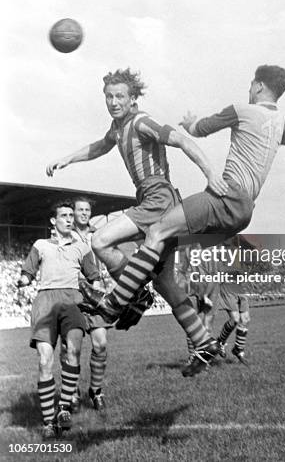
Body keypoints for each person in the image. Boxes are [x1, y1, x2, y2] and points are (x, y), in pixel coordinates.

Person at [85, 65, 285, 376]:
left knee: (155, 231)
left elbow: (199, 130)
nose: (249, 89)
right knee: (164, 277)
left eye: (252, 85)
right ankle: (204, 342)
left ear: (258, 85)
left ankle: (118, 301)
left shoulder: (242, 110)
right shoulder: (279, 122)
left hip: (225, 197)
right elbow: (284, 134)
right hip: (244, 213)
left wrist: (190, 123)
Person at [46, 68, 228, 355]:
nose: (113, 102)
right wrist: (68, 158)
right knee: (166, 284)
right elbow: (99, 147)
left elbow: (181, 140)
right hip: (152, 199)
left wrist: (211, 175)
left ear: (132, 99)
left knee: (100, 240)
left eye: (120, 96)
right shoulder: (117, 128)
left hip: (158, 199)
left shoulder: (142, 122)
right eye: (108, 96)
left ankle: (137, 293)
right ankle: (205, 344)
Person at [18, 201, 100, 439]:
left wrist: (96, 297)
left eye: (71, 215)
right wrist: (23, 279)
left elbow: (94, 278)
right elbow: (28, 272)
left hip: (72, 299)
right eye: (63, 215)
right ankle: (48, 422)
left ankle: (63, 407)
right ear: (53, 221)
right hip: (45, 302)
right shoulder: (40, 245)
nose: (69, 219)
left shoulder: (82, 248)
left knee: (73, 351)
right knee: (45, 360)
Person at [68, 196, 111, 412]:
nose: (84, 213)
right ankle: (72, 392)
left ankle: (96, 391)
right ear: (73, 212)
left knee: (100, 343)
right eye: (80, 210)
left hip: (95, 295)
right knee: (72, 348)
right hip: (73, 294)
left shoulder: (98, 234)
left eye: (87, 210)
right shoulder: (64, 234)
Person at [217, 285, 250, 365]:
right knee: (235, 319)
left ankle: (238, 349)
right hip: (227, 287)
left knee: (245, 319)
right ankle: (220, 342)